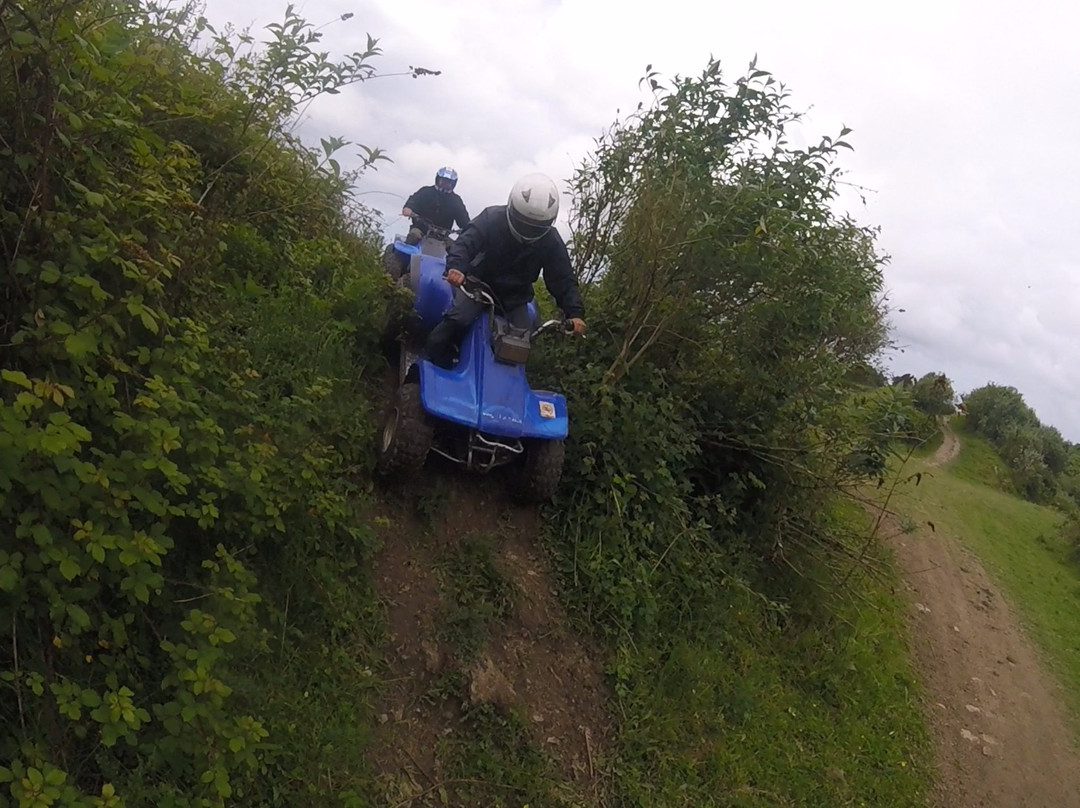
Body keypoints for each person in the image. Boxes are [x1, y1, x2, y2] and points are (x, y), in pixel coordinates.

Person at [424, 173, 586, 369]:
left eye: (536, 227)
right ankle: (424, 366)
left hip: (514, 297)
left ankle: (504, 388)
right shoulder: (491, 218)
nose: (528, 230)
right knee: (458, 319)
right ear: (512, 208)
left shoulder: (550, 240)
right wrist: (456, 268)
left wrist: (574, 312)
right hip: (478, 286)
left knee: (524, 339)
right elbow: (465, 244)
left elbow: (562, 278)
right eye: (523, 222)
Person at [401, 166, 470, 243]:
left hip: (442, 237)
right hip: (420, 230)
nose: (445, 184)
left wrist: (469, 230)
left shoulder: (456, 201)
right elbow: (413, 201)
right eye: (443, 181)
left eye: (449, 182)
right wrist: (408, 208)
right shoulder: (425, 191)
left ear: (453, 184)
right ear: (438, 179)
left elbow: (464, 221)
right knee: (414, 236)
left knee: (456, 250)